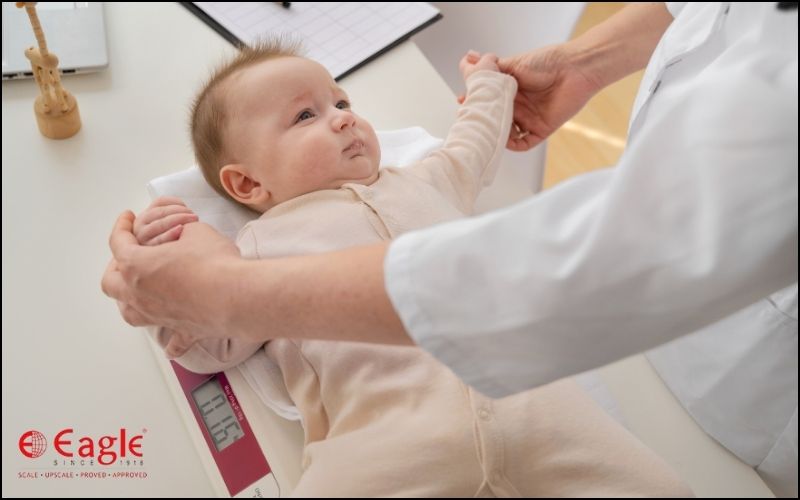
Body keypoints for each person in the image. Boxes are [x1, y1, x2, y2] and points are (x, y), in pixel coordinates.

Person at [103, 2, 796, 492]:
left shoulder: (422, 178)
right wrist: (173, 268)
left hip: (544, 416)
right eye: (308, 116)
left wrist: (491, 87)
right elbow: (210, 338)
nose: (344, 116)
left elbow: (475, 144)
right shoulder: (253, 247)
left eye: (342, 100)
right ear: (247, 181)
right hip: (382, 438)